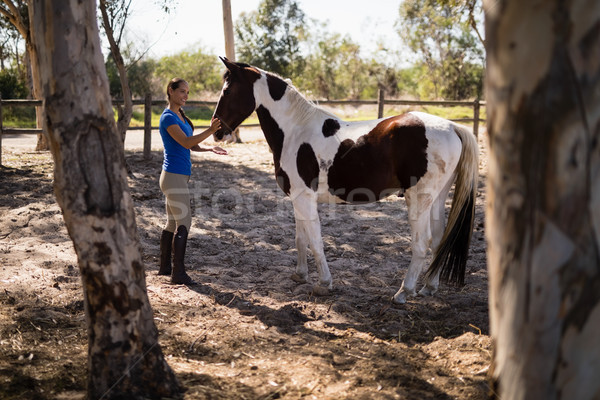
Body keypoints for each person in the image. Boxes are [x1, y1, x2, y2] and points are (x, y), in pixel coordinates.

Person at [158, 77, 227, 284]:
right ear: (171, 91)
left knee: (172, 223)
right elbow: (186, 141)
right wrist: (210, 132)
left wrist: (209, 147)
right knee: (184, 223)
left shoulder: (180, 115)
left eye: (188, 92)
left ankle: (164, 268)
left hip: (177, 177)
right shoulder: (168, 118)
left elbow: (190, 145)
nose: (185, 96)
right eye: (182, 92)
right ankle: (178, 274)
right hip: (173, 178)